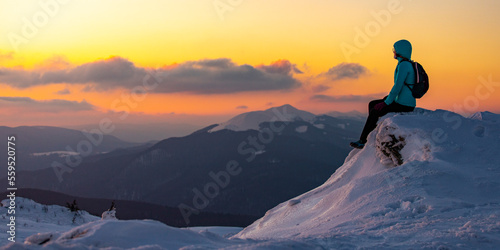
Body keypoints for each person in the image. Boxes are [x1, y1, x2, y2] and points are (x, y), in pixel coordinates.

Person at [350, 39, 416, 149]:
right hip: (403, 101)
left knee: (376, 109)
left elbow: (397, 87)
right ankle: (371, 130)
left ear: (400, 51)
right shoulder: (407, 64)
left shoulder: (404, 66)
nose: (393, 52)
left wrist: (387, 102)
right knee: (373, 104)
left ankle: (364, 140)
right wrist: (388, 100)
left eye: (394, 50)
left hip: (403, 104)